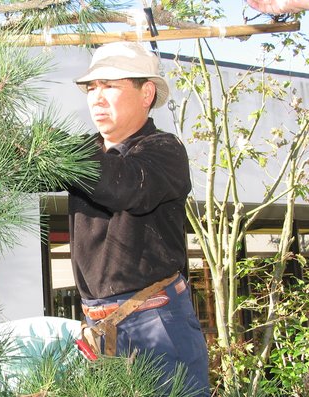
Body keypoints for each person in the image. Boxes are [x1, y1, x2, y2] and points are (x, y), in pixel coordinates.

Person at [69, 41, 210, 395]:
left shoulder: (164, 150)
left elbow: (125, 186)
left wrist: (61, 155)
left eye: (110, 85)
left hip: (155, 322)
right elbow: (24, 173)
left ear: (146, 92)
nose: (96, 98)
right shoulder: (85, 153)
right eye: (91, 87)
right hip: (99, 326)